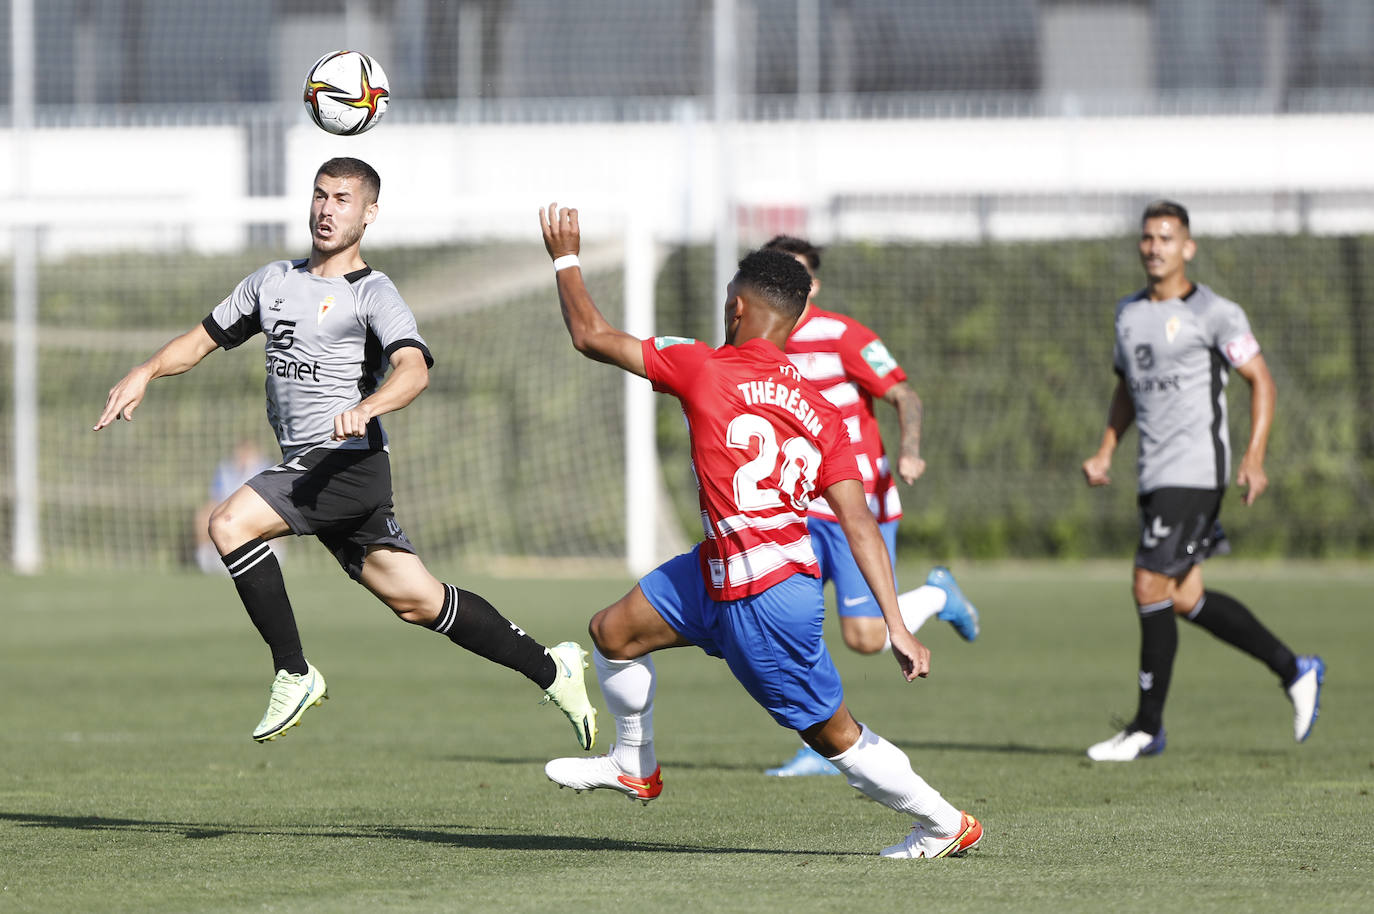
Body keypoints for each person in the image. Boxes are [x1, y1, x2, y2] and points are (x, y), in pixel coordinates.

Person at [94, 157, 597, 752]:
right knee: (419, 601)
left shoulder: (373, 293)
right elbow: (201, 340)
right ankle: (552, 668)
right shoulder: (271, 281)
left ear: (369, 214)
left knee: (228, 523)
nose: (327, 209)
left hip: (347, 464)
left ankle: (295, 672)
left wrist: (370, 406)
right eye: (320, 195)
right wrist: (146, 369)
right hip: (313, 466)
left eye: (342, 199)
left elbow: (413, 371)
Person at [536, 203, 981, 860]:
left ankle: (945, 824)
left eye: (726, 301)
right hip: (726, 569)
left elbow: (590, 335)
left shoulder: (703, 365)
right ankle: (634, 764)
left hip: (765, 599)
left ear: (737, 308)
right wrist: (896, 623)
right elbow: (857, 522)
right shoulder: (825, 411)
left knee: (834, 736)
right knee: (614, 630)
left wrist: (565, 257)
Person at [1080, 199, 1324, 762]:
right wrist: (1105, 450)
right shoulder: (1128, 314)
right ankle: (1295, 669)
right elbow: (1127, 390)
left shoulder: (1216, 312)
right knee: (1184, 595)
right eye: (1147, 237)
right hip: (1153, 472)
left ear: (1188, 247)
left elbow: (1261, 381)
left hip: (1196, 472)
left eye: (1167, 238)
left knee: (1147, 584)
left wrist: (1255, 456)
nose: (1155, 247)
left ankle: (1146, 728)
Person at [760, 234, 980, 777]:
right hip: (799, 506)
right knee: (793, 620)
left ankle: (935, 594)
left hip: (859, 504)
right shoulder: (762, 342)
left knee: (864, 638)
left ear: (814, 282)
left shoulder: (842, 334)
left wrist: (909, 452)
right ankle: (821, 742)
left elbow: (906, 394)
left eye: (800, 273)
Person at [194, 439, 276, 574]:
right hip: (228, 511)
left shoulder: (264, 468)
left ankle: (271, 553)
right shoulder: (226, 469)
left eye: (247, 452)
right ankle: (206, 559)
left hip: (255, 512)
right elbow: (216, 497)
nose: (243, 456)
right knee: (204, 515)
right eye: (240, 452)